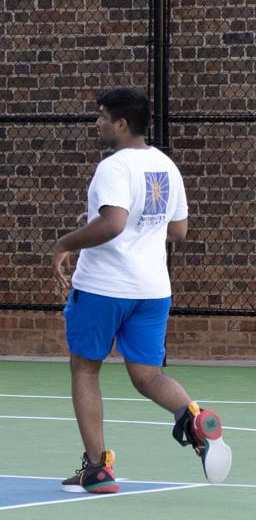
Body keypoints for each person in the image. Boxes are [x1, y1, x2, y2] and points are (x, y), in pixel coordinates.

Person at [52, 88, 230, 492]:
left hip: (103, 288)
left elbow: (113, 223)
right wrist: (136, 229)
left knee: (85, 368)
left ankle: (97, 469)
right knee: (148, 375)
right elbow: (179, 230)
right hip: (151, 290)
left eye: (101, 116)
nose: (96, 123)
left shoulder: (114, 167)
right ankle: (193, 418)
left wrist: (64, 244)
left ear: (121, 123)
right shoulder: (166, 166)